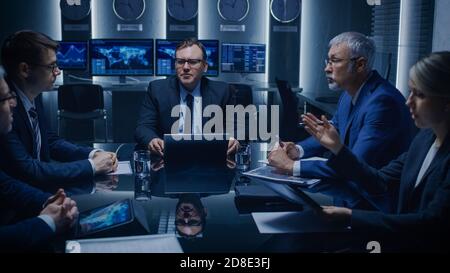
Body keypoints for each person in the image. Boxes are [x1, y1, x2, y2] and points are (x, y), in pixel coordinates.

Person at [302, 52, 450, 249]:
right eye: (411, 92)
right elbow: (380, 182)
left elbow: (430, 224)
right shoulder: (424, 139)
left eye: (420, 95)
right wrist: (337, 148)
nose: (409, 102)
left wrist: (352, 217)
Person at [268, 32, 416, 211]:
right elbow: (332, 132)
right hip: (349, 197)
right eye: (327, 61)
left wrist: (291, 166)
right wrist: (297, 151)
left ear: (360, 64)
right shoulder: (348, 94)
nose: (327, 68)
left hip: (374, 208)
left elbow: (353, 165)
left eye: (335, 61)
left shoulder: (383, 102)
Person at [0, 30, 117, 188]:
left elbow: (50, 141)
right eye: (51, 66)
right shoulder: (5, 109)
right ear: (25, 70)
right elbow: (29, 170)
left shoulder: (32, 92)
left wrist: (92, 154)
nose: (58, 71)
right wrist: (92, 166)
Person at [0, 66, 78, 252]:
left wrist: (49, 202)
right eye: (5, 98)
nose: (14, 103)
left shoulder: (35, 99)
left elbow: (6, 185)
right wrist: (48, 222)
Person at [135, 38, 239, 156]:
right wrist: (152, 140)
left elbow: (235, 127)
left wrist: (232, 139)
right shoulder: (157, 89)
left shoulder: (223, 91)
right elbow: (143, 127)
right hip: (168, 159)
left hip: (209, 158)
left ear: (205, 66)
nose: (185, 67)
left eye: (193, 62)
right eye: (180, 61)